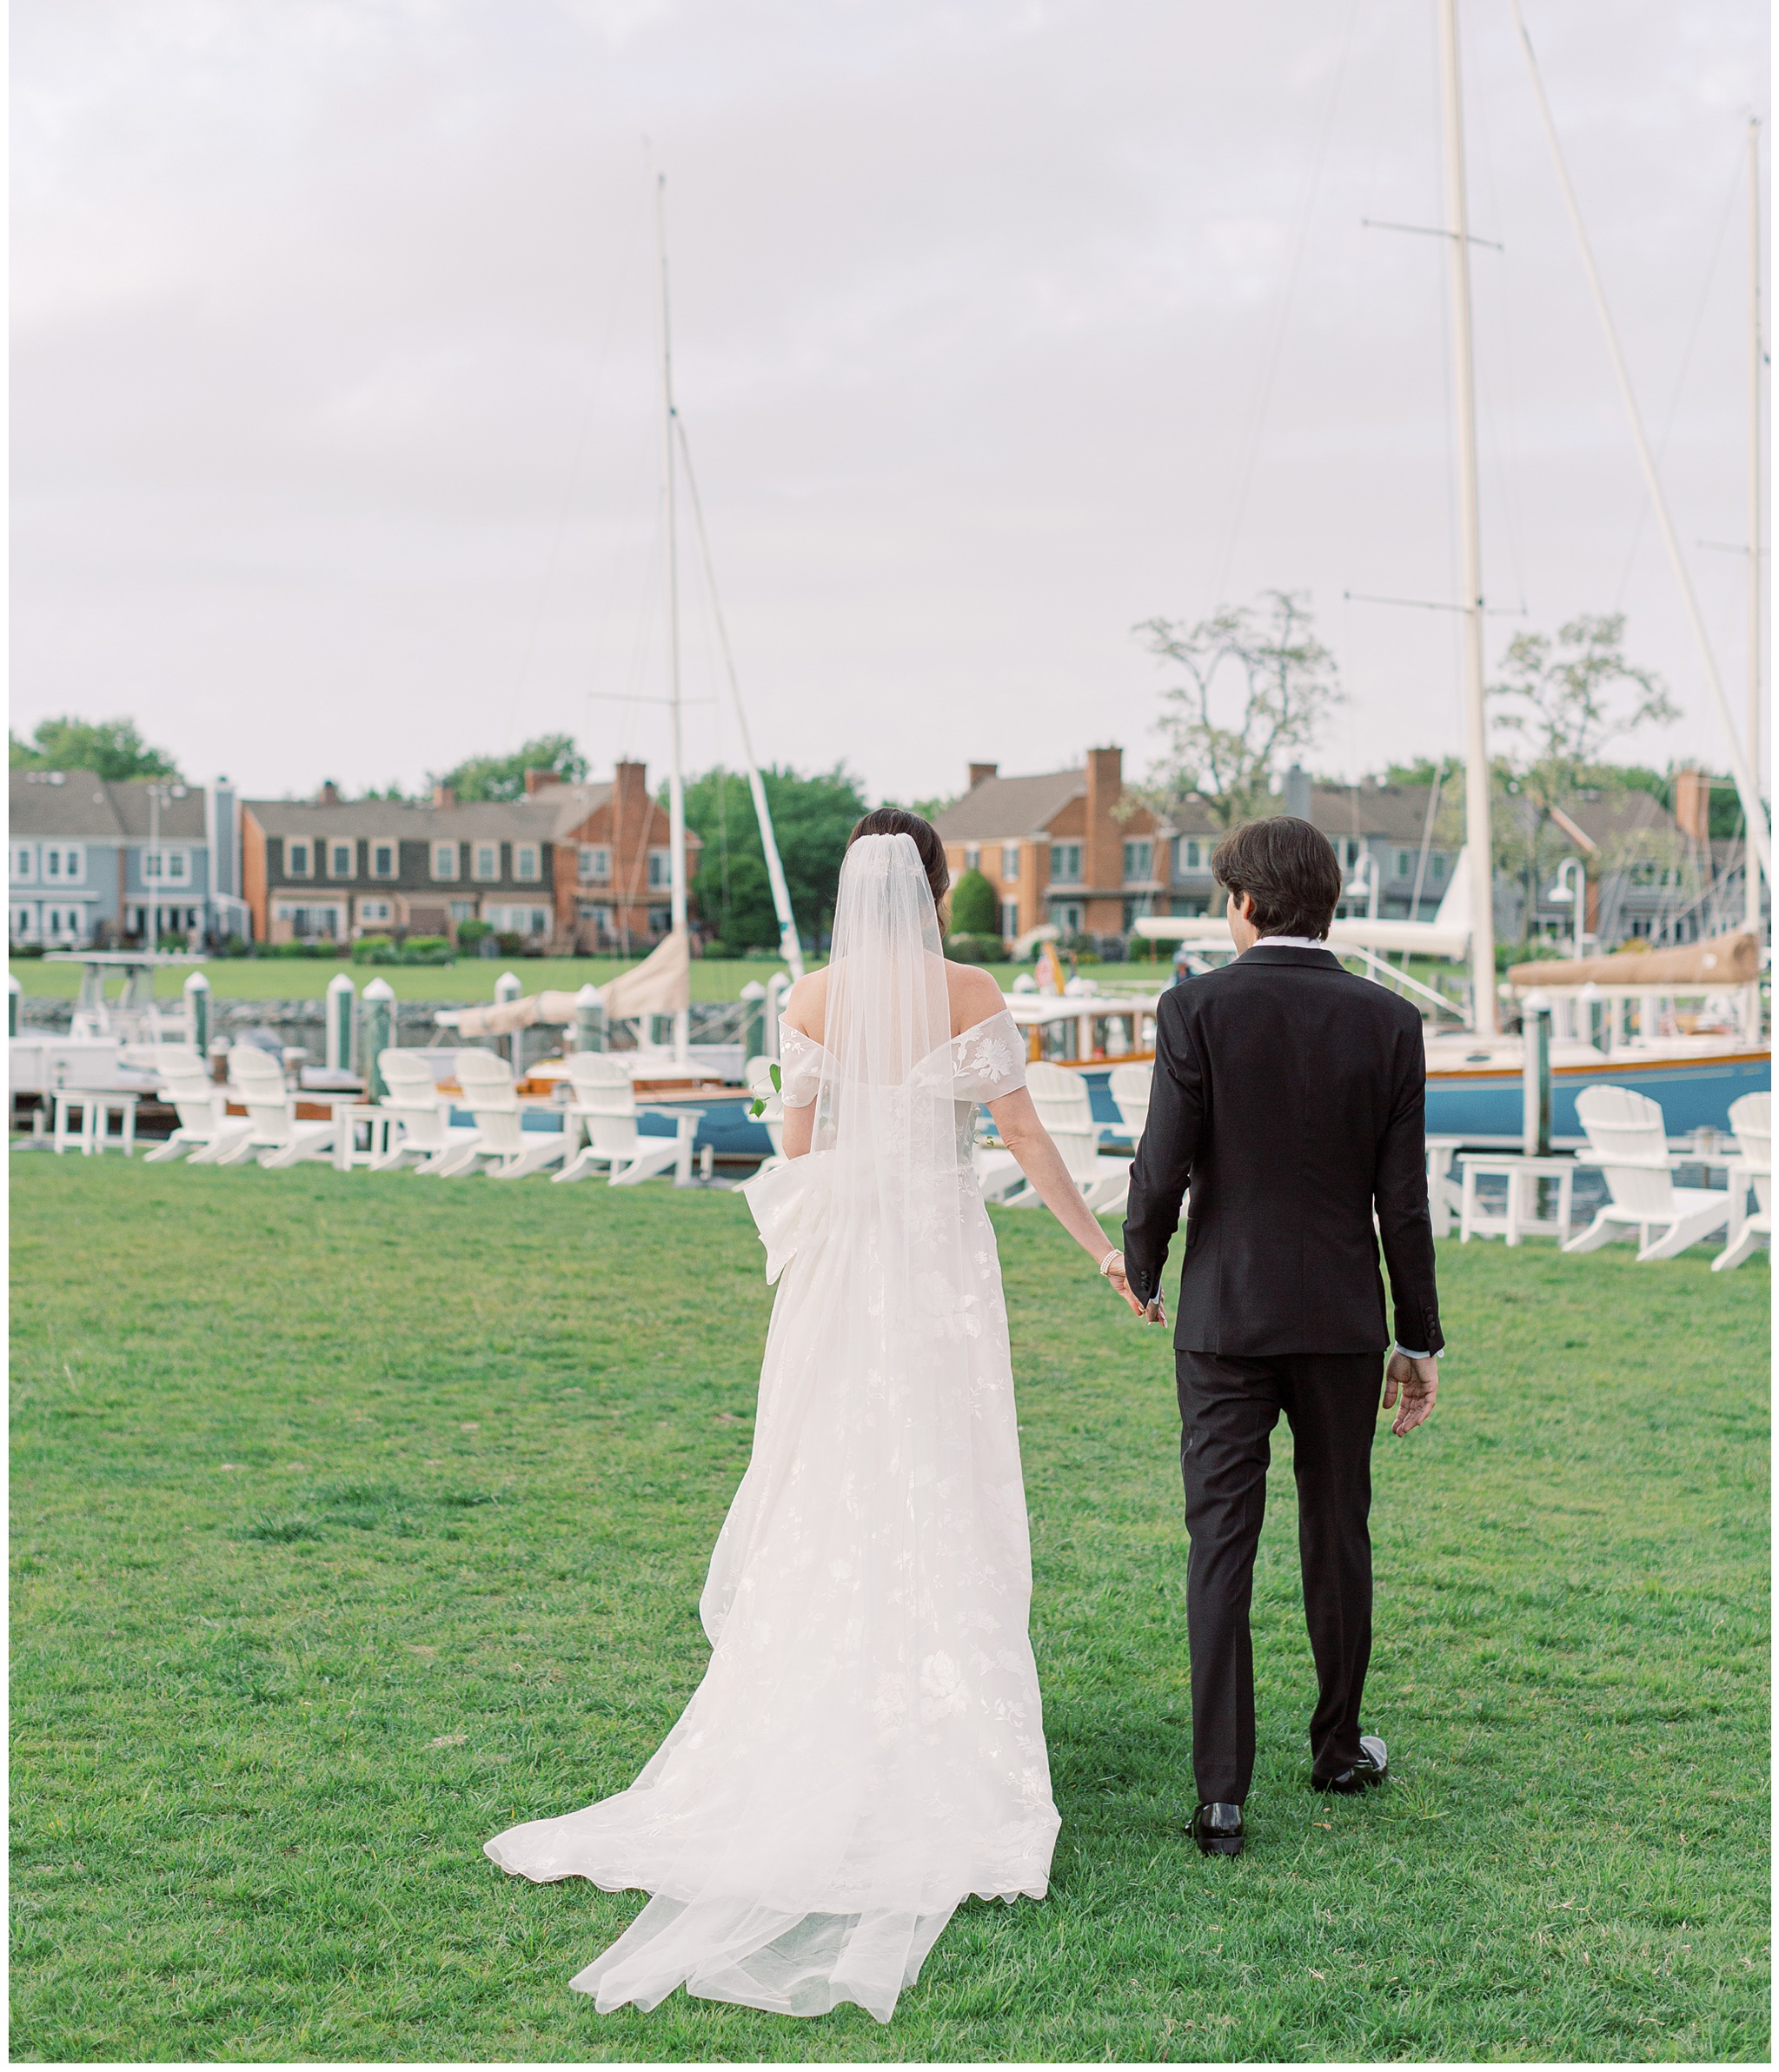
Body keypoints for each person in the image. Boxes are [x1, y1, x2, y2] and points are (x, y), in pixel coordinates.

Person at [486, 811, 1158, 2021]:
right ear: (939, 889)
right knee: (941, 1473)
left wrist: (803, 1270)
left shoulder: (807, 997)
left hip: (845, 1256)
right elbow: (1022, 1136)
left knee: (837, 1472)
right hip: (940, 1261)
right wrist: (1099, 1246)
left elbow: (791, 1152)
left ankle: (835, 1699)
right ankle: (942, 1726)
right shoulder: (969, 988)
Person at [1120, 814, 1443, 1860]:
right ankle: (1338, 1745)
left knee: (1219, 1542)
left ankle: (1220, 1797)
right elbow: (1403, 1205)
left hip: (1222, 1316)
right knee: (1336, 1530)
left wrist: (1140, 1266)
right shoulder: (1389, 1022)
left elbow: (1159, 1165)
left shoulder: (1195, 1008)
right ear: (1327, 904)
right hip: (1343, 1321)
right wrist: (1417, 1340)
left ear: (1246, 905)